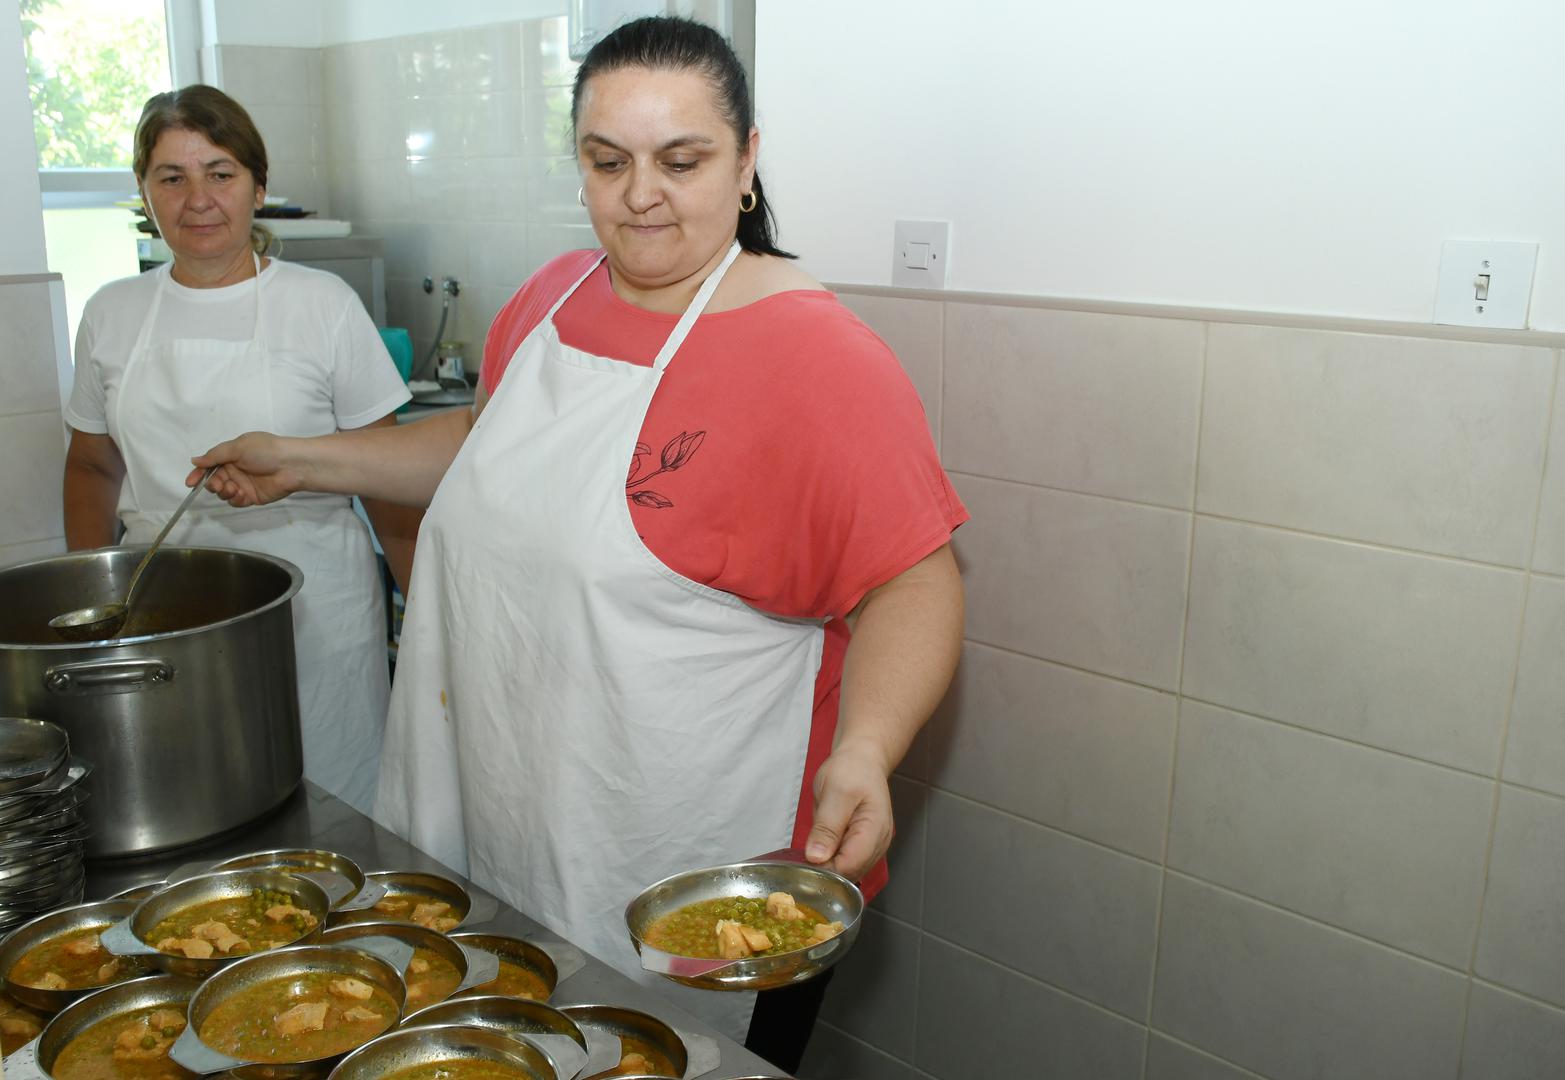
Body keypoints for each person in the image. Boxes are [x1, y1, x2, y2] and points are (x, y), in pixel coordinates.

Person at [191, 16, 966, 1068]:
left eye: (680, 160)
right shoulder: (552, 296)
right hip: (518, 813)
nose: (640, 193)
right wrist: (307, 458)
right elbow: (480, 446)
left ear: (745, 163)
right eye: (608, 162)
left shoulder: (817, 356)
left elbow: (912, 579)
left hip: (697, 854)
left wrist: (867, 751)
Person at [62, 85, 417, 815]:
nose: (198, 199)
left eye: (219, 173)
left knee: (333, 803)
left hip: (315, 609)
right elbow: (93, 464)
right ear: (144, 192)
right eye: (172, 177)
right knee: (186, 805)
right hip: (164, 609)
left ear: (258, 185)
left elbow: (386, 475)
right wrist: (90, 599)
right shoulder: (111, 312)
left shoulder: (322, 304)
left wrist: (422, 614)